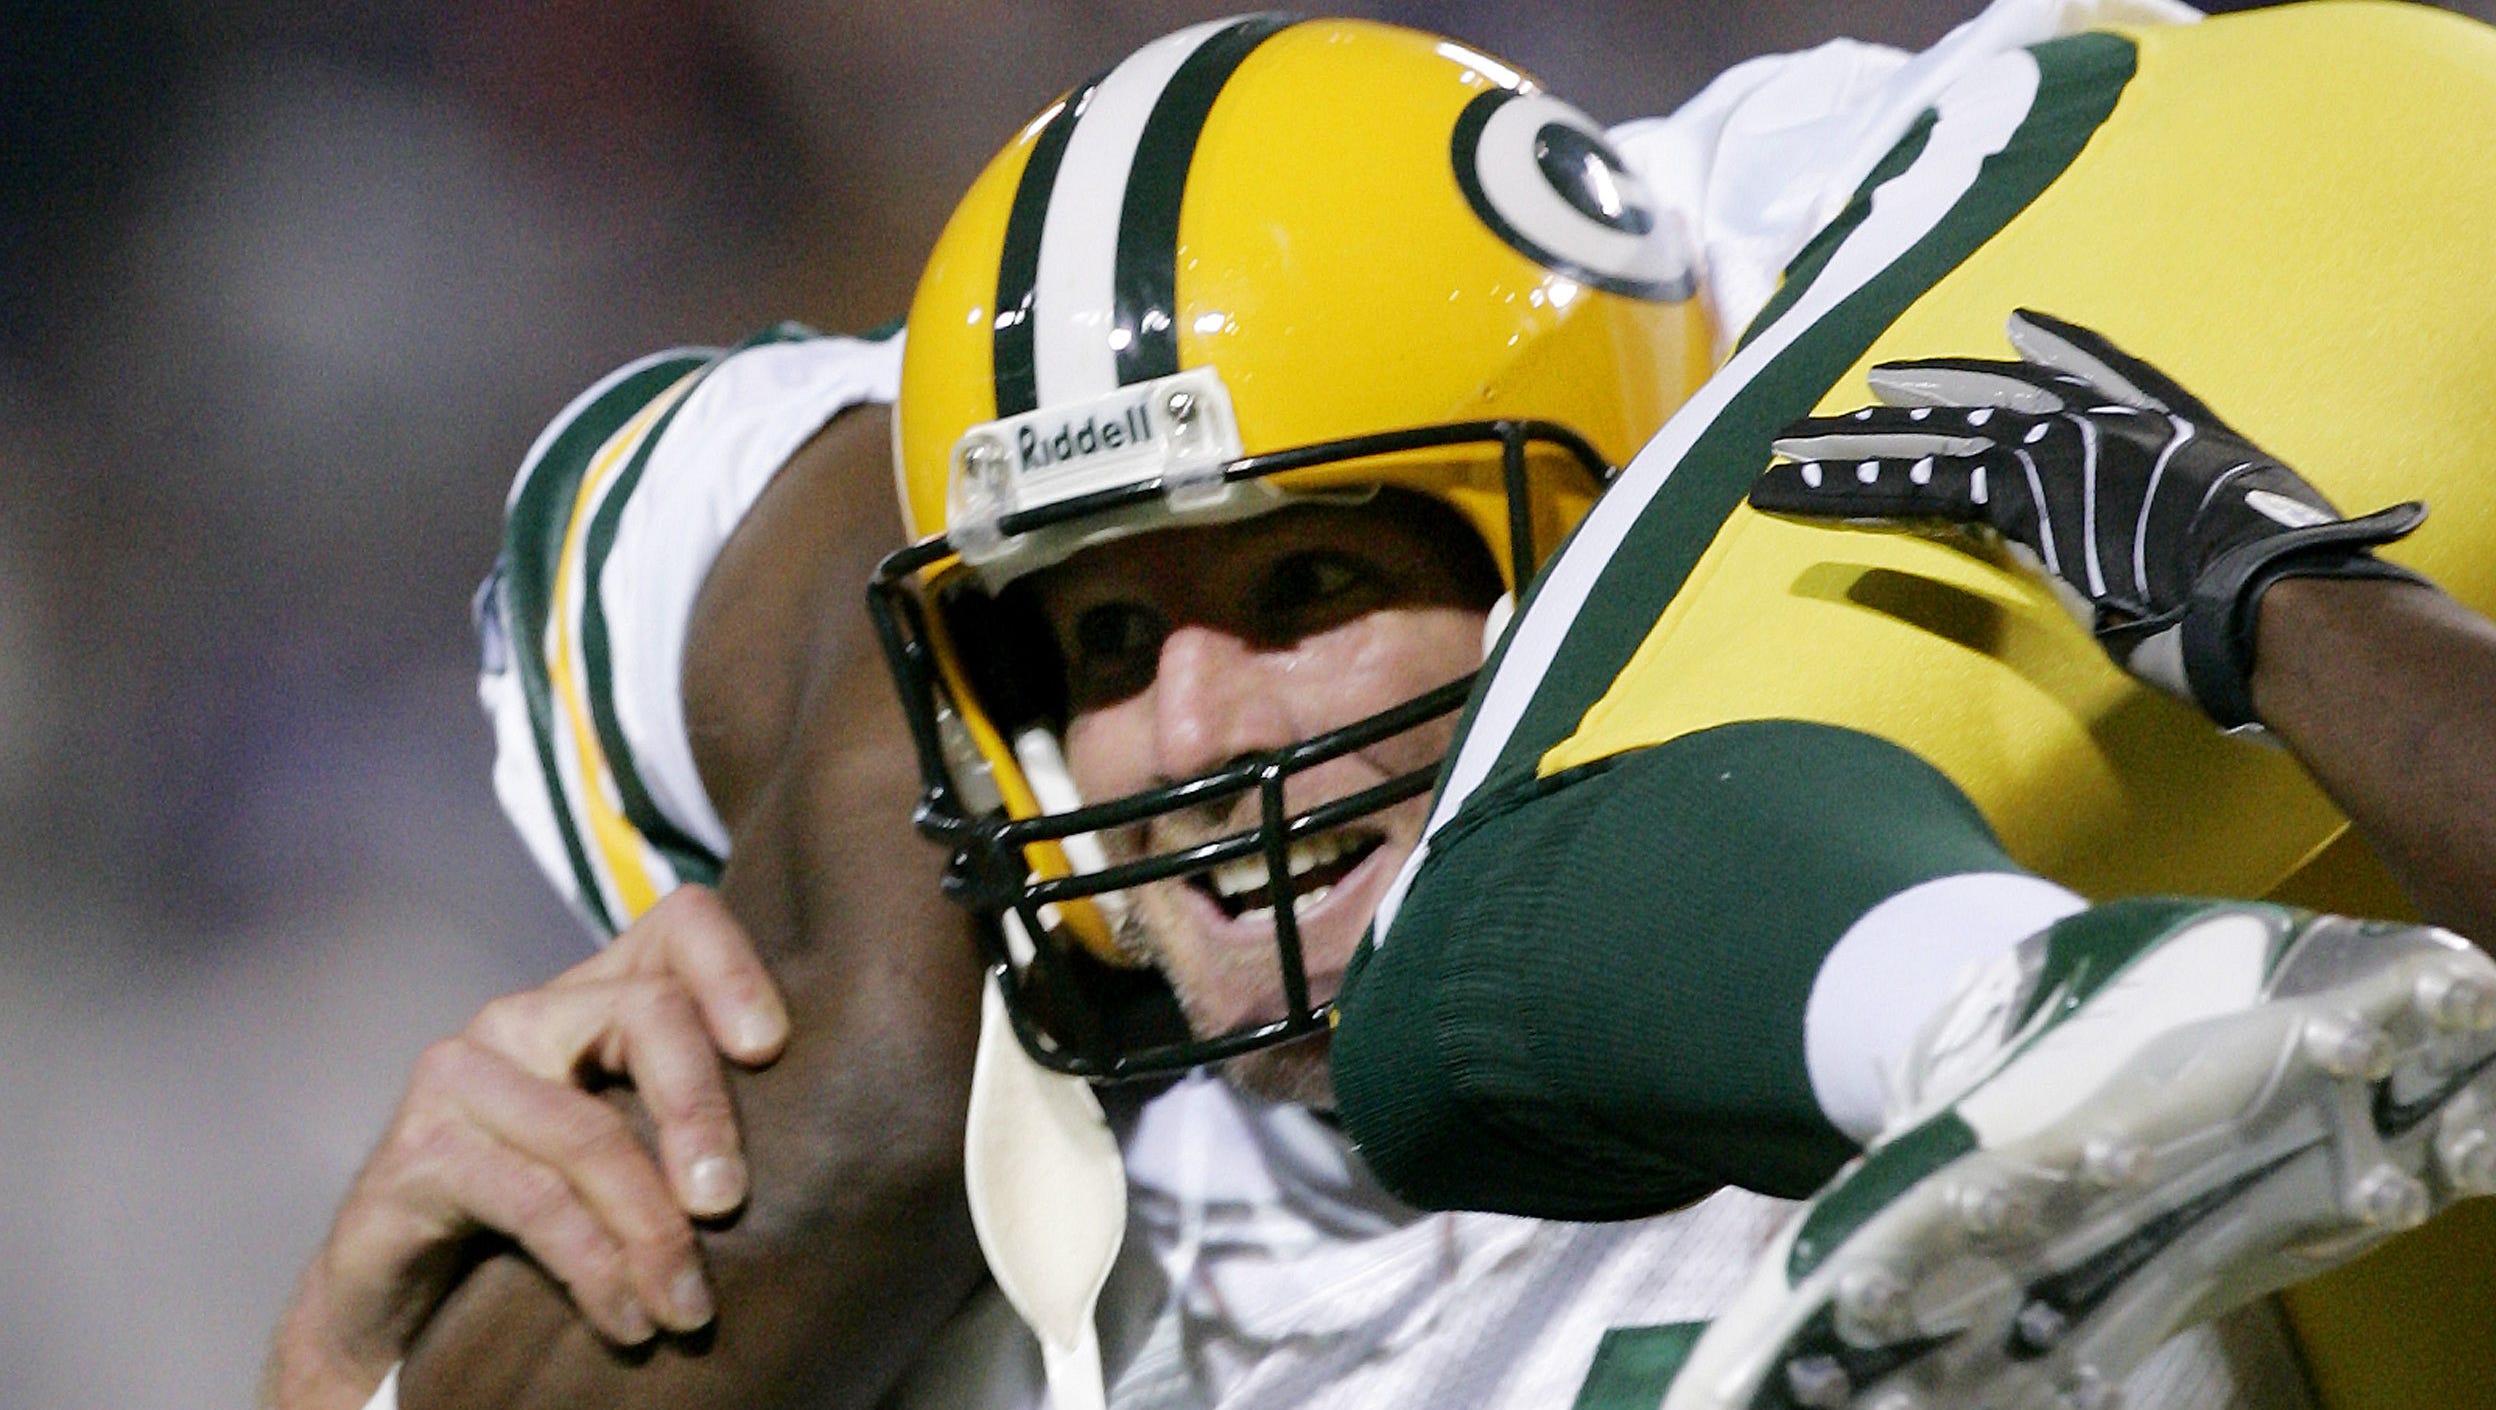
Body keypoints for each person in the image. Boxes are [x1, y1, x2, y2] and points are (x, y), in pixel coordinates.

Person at [264, 2, 2496, 1407]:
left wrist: (2291, 613)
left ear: (1595, 546)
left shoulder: (1873, 564)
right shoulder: (1043, 1234)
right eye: (1103, 648)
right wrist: (334, 1378)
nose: (1202, 729)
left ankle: (2003, 1023)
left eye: (1310, 586)